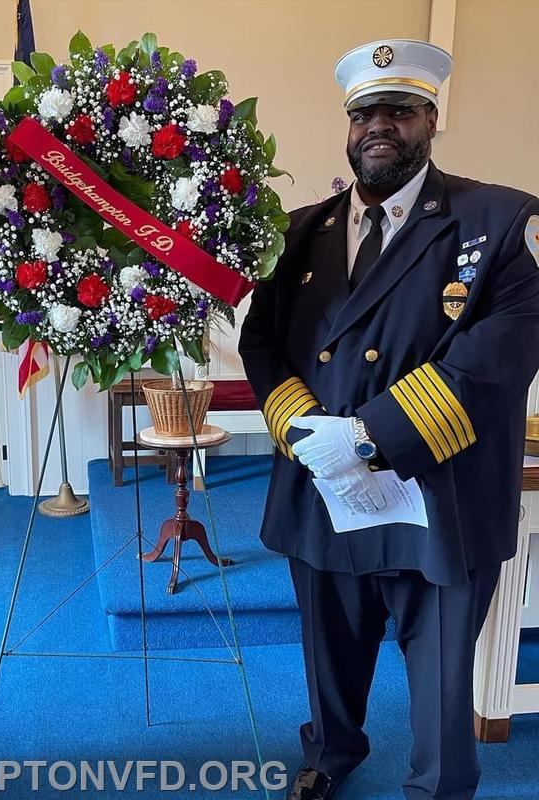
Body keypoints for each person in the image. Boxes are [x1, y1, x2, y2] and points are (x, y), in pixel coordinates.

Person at [239, 39, 539, 800]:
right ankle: (329, 754)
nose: (381, 126)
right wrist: (302, 427)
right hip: (321, 487)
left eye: (400, 111)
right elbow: (263, 338)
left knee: (440, 686)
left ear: (431, 120)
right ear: (347, 126)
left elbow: (498, 357)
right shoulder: (300, 229)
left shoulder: (503, 220)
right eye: (365, 112)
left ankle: (439, 786)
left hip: (438, 496)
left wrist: (369, 436)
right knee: (328, 657)